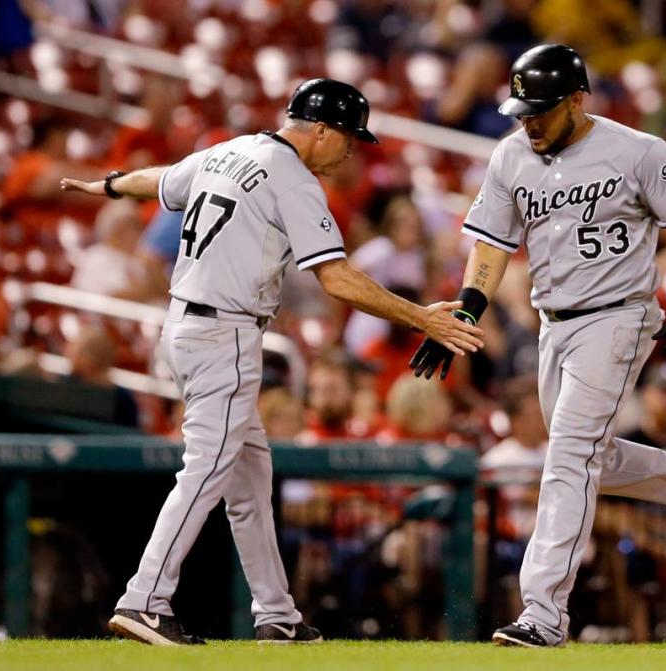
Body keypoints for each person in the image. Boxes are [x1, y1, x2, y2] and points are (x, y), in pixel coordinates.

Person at [60, 78, 484, 646]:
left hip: (183, 325)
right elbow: (336, 278)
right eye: (349, 140)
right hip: (224, 332)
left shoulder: (226, 150)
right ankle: (144, 599)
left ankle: (275, 613)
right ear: (323, 131)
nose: (351, 152)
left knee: (250, 479)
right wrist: (422, 318)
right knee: (208, 467)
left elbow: (159, 181)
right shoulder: (293, 179)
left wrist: (109, 186)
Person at [409, 44, 666, 647]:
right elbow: (490, 247)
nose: (528, 120)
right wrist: (467, 309)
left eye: (541, 109)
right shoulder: (511, 155)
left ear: (577, 99)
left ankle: (543, 613)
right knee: (589, 457)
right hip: (551, 323)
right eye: (522, 108)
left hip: (619, 317)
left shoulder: (639, 151)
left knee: (568, 454)